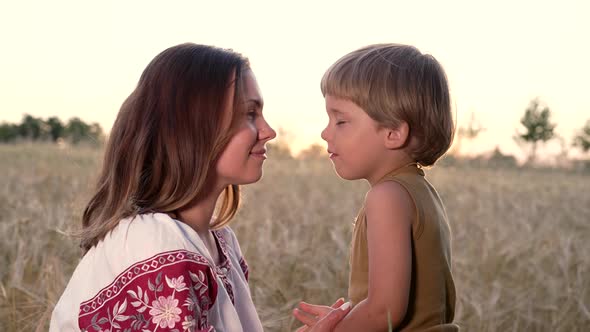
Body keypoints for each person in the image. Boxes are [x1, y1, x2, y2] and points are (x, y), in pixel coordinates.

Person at [49, 43, 276, 332]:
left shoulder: (221, 242)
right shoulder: (153, 241)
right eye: (249, 114)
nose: (269, 131)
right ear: (194, 126)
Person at [293, 44, 459, 331]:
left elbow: (384, 310)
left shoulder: (387, 197)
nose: (325, 132)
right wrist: (343, 318)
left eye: (341, 121)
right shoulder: (418, 192)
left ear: (393, 133)